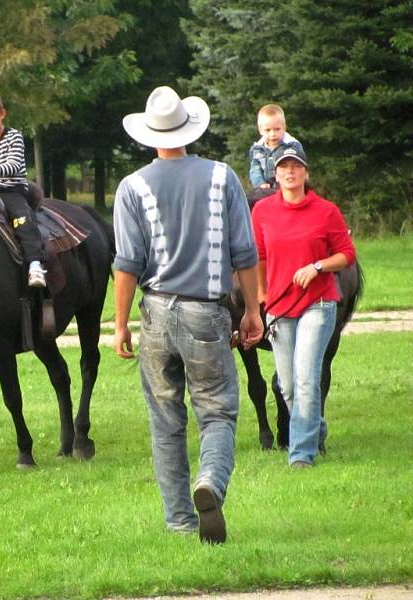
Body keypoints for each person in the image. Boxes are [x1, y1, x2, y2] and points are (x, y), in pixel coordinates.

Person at [112, 86, 264, 544]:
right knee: (217, 413)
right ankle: (210, 483)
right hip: (207, 312)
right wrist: (252, 310)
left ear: (149, 135)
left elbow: (126, 264)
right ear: (189, 129)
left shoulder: (132, 187)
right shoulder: (222, 178)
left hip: (156, 312)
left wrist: (121, 324)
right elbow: (244, 252)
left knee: (165, 421)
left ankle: (179, 522)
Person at [250, 146, 356, 469]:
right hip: (279, 307)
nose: (290, 172)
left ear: (306, 173)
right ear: (276, 174)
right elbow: (258, 256)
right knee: (289, 385)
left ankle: (301, 455)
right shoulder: (263, 212)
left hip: (318, 303)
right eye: (284, 167)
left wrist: (319, 267)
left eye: (296, 166)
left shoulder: (326, 211)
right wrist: (262, 294)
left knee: (307, 378)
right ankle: (316, 429)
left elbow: (346, 254)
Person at [0, 89, 46, 287]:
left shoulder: (14, 137)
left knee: (22, 220)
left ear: (2, 113)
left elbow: (13, 165)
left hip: (12, 190)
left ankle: (35, 265)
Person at [248, 104, 305, 190]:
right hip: (265, 189)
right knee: (250, 200)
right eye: (268, 130)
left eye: (277, 129)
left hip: (287, 188)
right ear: (260, 130)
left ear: (284, 127)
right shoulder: (257, 149)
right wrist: (260, 183)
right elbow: (255, 170)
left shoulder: (292, 145)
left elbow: (299, 168)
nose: (272, 134)